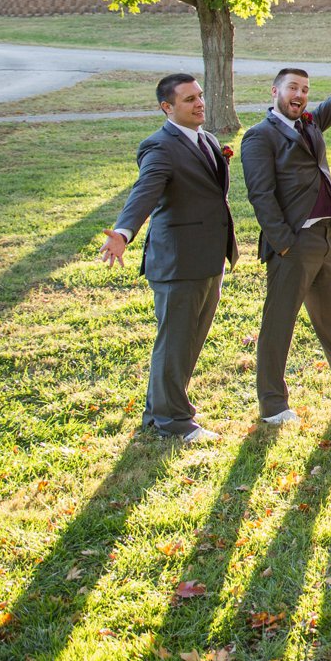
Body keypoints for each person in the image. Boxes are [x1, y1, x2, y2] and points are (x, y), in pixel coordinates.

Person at [238, 26, 331, 425]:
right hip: (293, 245)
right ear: (275, 92)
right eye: (292, 88)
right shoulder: (258, 137)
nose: (300, 95)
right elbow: (261, 196)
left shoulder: (310, 123)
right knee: (279, 325)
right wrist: (285, 244)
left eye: (304, 89)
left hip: (328, 240)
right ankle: (273, 404)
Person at [99, 72, 239, 442]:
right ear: (167, 107)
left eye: (200, 96)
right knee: (175, 342)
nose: (200, 104)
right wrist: (124, 232)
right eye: (189, 99)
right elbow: (145, 191)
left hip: (208, 258)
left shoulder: (207, 139)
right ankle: (173, 422)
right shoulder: (159, 147)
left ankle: (157, 412)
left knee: (189, 341)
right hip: (178, 262)